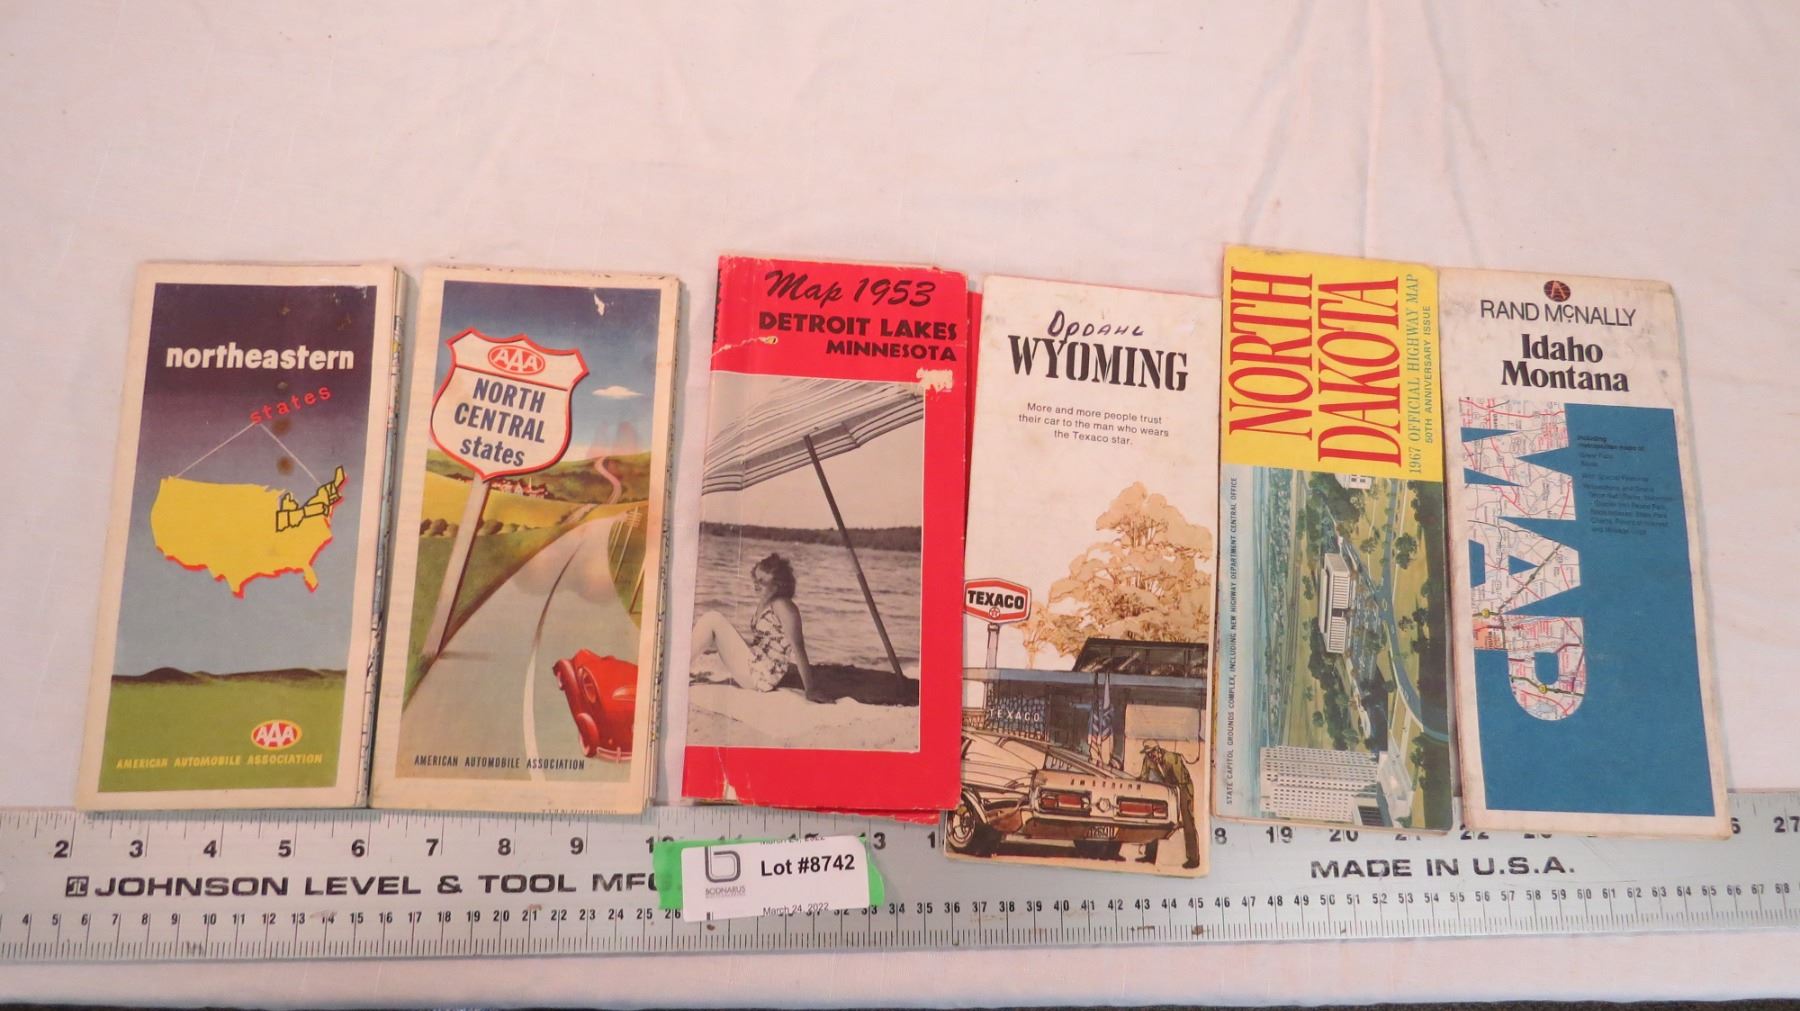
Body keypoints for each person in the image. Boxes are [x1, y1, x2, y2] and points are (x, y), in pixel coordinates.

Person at [690, 553, 828, 703]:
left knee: (713, 619)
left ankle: (680, 665)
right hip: (756, 666)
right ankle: (683, 663)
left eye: (762, 581)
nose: (756, 584)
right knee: (715, 622)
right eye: (755, 579)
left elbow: (798, 647)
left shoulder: (783, 606)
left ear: (778, 584)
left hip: (762, 676)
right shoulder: (766, 602)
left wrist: (810, 689)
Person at [1137, 742, 1200, 869]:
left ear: (1158, 750)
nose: (1150, 756)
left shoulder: (1172, 758)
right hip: (1165, 788)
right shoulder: (1148, 760)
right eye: (1148, 754)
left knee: (1187, 821)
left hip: (1183, 788)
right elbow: (1143, 778)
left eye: (1152, 753)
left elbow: (1180, 782)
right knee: (1152, 818)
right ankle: (1149, 855)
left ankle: (1193, 858)